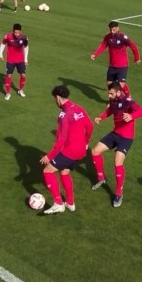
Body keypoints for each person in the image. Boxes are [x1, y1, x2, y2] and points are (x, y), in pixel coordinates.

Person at [40, 85, 93, 215]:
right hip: (81, 151)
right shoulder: (79, 108)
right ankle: (70, 203)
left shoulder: (64, 115)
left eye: (54, 98)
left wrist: (50, 156)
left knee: (47, 171)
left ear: (58, 97)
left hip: (70, 151)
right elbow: (90, 126)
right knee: (64, 172)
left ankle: (58, 203)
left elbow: (61, 139)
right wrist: (86, 142)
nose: (54, 101)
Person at [90, 82, 142, 207]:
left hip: (126, 138)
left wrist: (131, 116)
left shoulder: (127, 101)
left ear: (118, 92)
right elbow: (110, 110)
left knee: (117, 162)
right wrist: (101, 117)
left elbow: (141, 111)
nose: (109, 96)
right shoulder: (114, 101)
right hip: (115, 134)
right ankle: (101, 178)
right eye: (108, 93)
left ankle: (118, 193)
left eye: (111, 93)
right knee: (94, 151)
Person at [90, 21, 141, 96]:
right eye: (110, 30)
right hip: (112, 65)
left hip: (122, 66)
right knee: (109, 84)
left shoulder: (123, 37)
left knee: (121, 85)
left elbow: (133, 47)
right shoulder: (108, 37)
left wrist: (137, 58)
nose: (112, 31)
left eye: (113, 29)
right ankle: (113, 100)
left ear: (117, 28)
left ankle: (128, 97)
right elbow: (103, 46)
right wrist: (95, 54)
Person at [0, 23, 29, 100]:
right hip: (10, 60)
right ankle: (8, 93)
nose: (16, 34)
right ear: (13, 31)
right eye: (15, 32)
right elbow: (3, 43)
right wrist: (0, 54)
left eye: (18, 33)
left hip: (20, 60)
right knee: (9, 75)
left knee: (23, 75)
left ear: (20, 32)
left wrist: (25, 59)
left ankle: (20, 90)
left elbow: (26, 47)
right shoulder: (8, 36)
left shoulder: (24, 38)